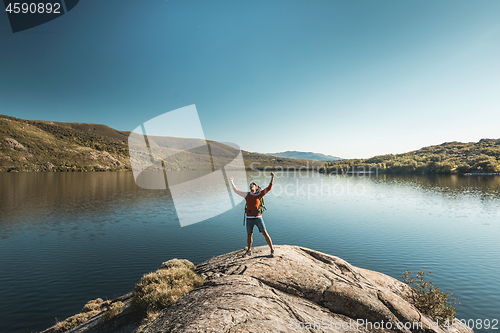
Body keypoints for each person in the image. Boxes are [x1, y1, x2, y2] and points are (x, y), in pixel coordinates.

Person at [229, 173, 275, 257]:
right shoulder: (247, 195)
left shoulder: (259, 194)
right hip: (249, 218)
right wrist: (232, 181)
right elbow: (236, 190)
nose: (251, 185)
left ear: (256, 187)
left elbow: (269, 188)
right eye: (250, 185)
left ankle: (272, 249)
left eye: (253, 184)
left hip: (258, 218)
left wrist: (272, 177)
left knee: (265, 233)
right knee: (249, 235)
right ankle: (249, 250)